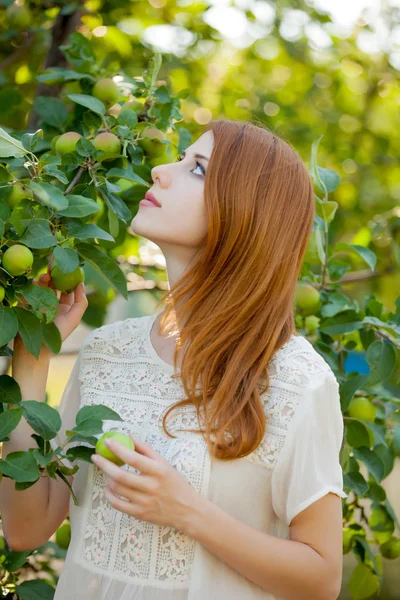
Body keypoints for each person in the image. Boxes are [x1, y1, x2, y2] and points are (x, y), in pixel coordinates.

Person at [0, 120, 347, 600]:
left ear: (246, 212)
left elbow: (322, 579)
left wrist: (188, 511)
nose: (161, 170)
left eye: (198, 169)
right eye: (180, 158)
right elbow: (27, 528)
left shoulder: (295, 379)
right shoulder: (108, 351)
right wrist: (32, 364)